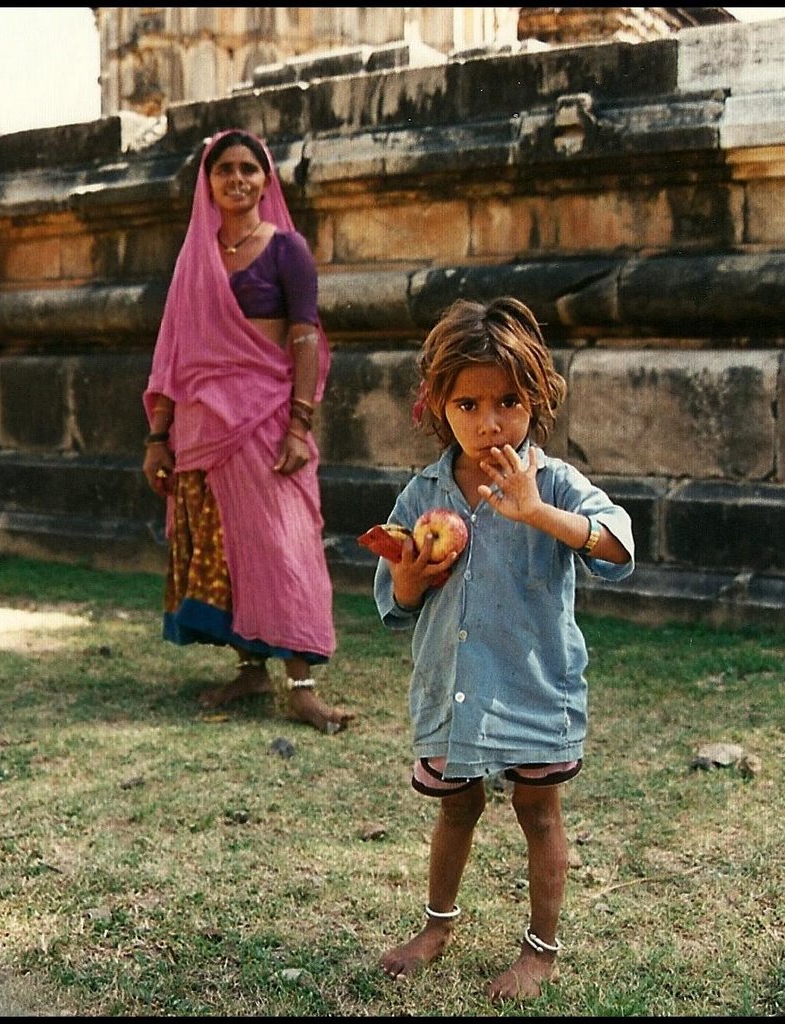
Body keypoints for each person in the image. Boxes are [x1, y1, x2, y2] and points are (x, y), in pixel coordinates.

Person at [373, 296, 635, 1001]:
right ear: (436, 405)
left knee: (537, 812)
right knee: (454, 809)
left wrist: (539, 513)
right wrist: (406, 575)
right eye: (467, 403)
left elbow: (616, 545)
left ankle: (541, 949)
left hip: (533, 686)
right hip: (451, 688)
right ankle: (436, 925)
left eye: (508, 401)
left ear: (538, 398)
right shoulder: (422, 493)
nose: (489, 421)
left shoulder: (550, 481)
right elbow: (392, 601)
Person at [142, 128, 354, 735]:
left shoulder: (288, 250)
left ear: (266, 179)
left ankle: (303, 685)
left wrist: (299, 425)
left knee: (285, 545)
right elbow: (174, 352)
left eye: (249, 169)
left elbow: (307, 338)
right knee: (226, 550)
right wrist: (159, 435)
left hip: (267, 420)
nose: (237, 179)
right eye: (224, 169)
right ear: (208, 183)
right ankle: (251, 666)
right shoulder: (196, 258)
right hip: (200, 427)